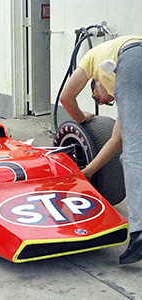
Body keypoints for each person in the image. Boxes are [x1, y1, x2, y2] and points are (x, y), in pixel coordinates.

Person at [59, 35, 142, 264]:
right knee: (130, 143)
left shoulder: (91, 59)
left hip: (135, 54)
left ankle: (139, 234)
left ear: (96, 82)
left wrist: (80, 117)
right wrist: (87, 172)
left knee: (134, 153)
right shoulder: (123, 78)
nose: (103, 102)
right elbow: (115, 140)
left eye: (101, 100)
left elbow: (67, 97)